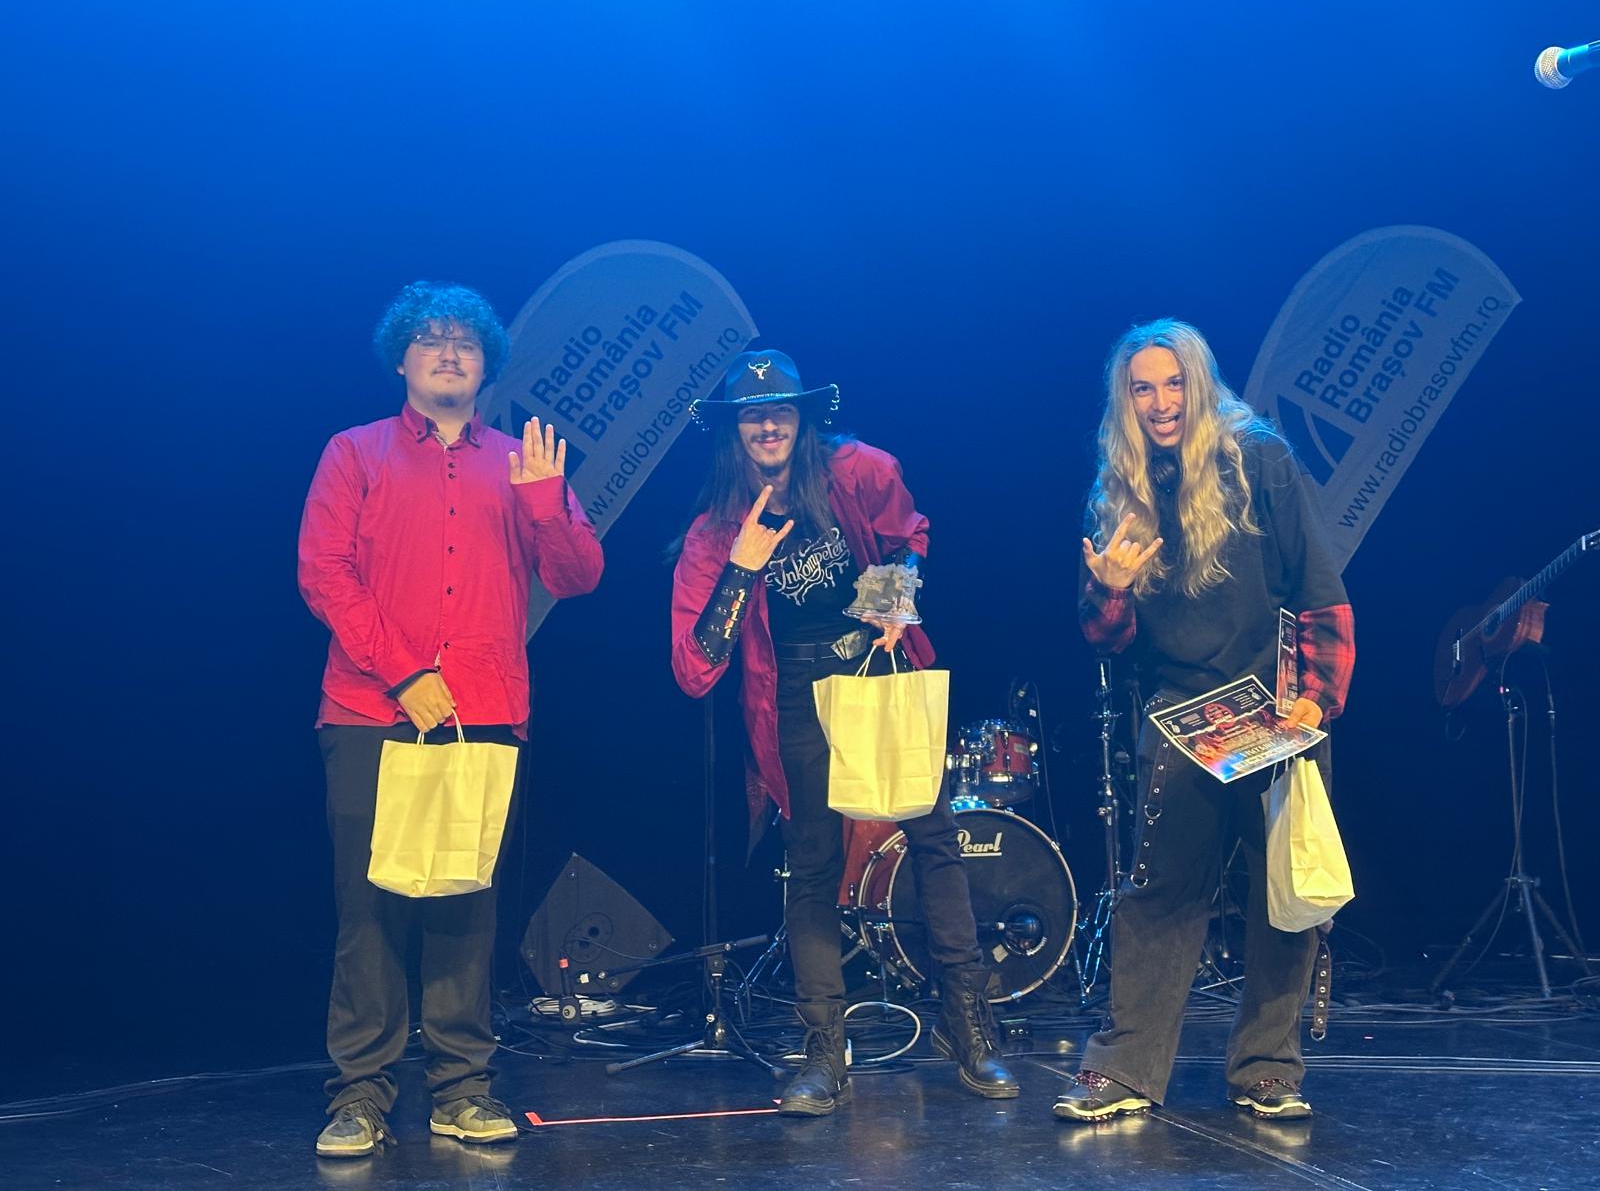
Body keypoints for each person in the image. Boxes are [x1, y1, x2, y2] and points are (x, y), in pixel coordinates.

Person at [298, 281, 603, 1156]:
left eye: (465, 342)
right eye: (430, 339)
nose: (448, 352)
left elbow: (578, 575)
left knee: (465, 906)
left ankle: (462, 1089)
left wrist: (546, 498)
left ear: (485, 365)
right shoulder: (354, 452)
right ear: (401, 358)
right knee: (370, 909)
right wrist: (403, 674)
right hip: (369, 709)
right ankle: (360, 1095)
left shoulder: (520, 462)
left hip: (483, 712)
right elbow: (323, 572)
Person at [669, 350, 1017, 1115]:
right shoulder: (715, 530)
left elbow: (907, 536)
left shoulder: (857, 471)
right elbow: (695, 667)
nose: (767, 425)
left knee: (933, 841)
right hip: (793, 695)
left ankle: (968, 1028)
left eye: (780, 412)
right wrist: (741, 567)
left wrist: (894, 599)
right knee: (813, 867)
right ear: (733, 432)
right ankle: (824, 1051)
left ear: (802, 419)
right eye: (752, 416)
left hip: (874, 669)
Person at [1056, 319, 1354, 1123]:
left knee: (1283, 894)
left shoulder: (1260, 459)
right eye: (1142, 389)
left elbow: (1320, 586)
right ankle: (1123, 1069)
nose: (1160, 403)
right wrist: (1111, 590)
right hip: (1182, 715)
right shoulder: (1119, 487)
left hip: (1275, 707)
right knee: (1158, 893)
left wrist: (1318, 695)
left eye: (1173, 383)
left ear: (1199, 384)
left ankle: (1267, 1067)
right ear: (1124, 401)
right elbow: (1107, 639)